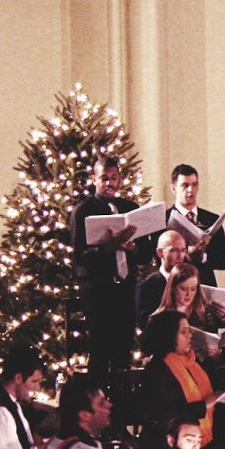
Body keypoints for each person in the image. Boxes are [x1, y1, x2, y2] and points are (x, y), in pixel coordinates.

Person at [70, 156, 144, 374]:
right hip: (97, 290)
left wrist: (133, 249)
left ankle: (121, 405)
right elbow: (80, 256)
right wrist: (107, 247)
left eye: (114, 178)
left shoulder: (130, 208)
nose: (109, 183)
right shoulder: (83, 210)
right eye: (104, 178)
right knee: (100, 350)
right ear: (94, 179)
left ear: (120, 179)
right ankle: (98, 403)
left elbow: (146, 253)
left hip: (126, 288)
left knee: (124, 350)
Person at [138, 310, 225, 449]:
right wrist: (204, 405)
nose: (190, 336)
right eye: (184, 332)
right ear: (169, 335)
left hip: (204, 444)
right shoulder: (156, 369)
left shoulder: (195, 363)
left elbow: (214, 405)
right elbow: (159, 416)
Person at [167, 163, 225, 286]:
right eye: (185, 185)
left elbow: (224, 261)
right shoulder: (164, 220)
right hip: (175, 287)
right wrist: (187, 255)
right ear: (174, 188)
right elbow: (159, 258)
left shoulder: (212, 219)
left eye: (194, 185)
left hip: (205, 285)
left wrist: (203, 257)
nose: (191, 190)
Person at [135, 230, 190, 330]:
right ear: (160, 253)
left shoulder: (192, 283)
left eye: (183, 251)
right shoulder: (145, 288)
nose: (180, 256)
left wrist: (222, 316)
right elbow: (145, 325)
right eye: (174, 250)